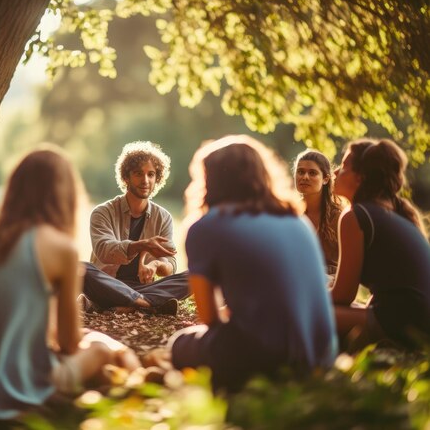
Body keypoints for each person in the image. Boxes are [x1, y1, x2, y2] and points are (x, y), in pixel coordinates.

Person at [0, 148, 139, 419]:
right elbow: (69, 343)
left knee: (98, 343)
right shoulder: (61, 248)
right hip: (17, 388)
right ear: (66, 195)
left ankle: (136, 378)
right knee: (103, 349)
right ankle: (140, 383)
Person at [164, 135, 337, 393]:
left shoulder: (205, 227)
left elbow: (209, 317)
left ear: (209, 179)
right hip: (322, 357)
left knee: (180, 343)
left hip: (267, 360)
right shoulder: (296, 220)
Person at [331, 138, 430, 349]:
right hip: (419, 322)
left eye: (344, 166)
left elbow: (342, 296)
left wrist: (310, 293)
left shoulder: (356, 216)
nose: (336, 171)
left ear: (360, 178)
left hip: (404, 324)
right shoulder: (398, 215)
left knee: (308, 313)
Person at [81, 141, 190, 315]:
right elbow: (104, 250)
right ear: (126, 177)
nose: (145, 180)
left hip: (144, 286)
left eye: (151, 174)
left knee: (195, 275)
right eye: (138, 174)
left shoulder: (163, 217)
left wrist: (155, 264)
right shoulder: (102, 212)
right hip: (108, 284)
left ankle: (130, 303)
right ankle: (149, 304)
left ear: (157, 178)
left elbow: (170, 264)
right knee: (82, 269)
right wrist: (143, 245)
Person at [294, 149, 343, 275]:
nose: (305, 177)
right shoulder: (290, 213)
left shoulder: (338, 216)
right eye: (300, 172)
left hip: (330, 284)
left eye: (312, 173)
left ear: (325, 179)